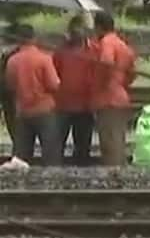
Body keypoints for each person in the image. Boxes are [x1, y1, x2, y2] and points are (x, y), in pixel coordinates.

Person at [4, 25, 61, 165]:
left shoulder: (12, 61)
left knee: (22, 154)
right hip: (44, 109)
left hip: (23, 111)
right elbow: (54, 84)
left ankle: (22, 183)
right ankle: (53, 180)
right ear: (34, 38)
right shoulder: (44, 58)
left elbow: (10, 86)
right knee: (50, 151)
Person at [90, 11, 136, 166]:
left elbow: (106, 62)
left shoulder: (107, 43)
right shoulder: (122, 44)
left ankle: (114, 174)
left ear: (99, 27)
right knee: (118, 139)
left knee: (110, 142)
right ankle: (118, 171)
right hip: (121, 96)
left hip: (108, 98)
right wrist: (121, 83)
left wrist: (101, 83)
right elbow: (132, 72)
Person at [53, 15, 97, 165]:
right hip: (63, 104)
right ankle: (55, 170)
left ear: (86, 31)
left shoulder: (94, 50)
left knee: (83, 144)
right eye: (74, 29)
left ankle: (81, 169)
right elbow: (54, 72)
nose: (77, 32)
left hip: (85, 104)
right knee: (57, 144)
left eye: (80, 29)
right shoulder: (61, 51)